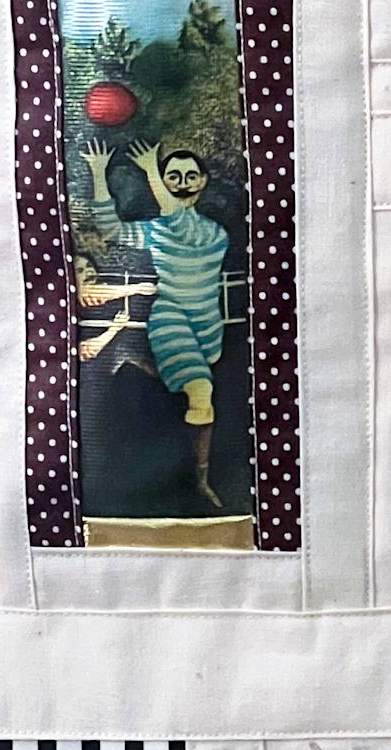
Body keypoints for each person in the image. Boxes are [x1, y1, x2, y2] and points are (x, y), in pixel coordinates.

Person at [82, 139, 232, 511]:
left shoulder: (215, 234)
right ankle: (199, 484)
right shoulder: (155, 230)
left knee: (195, 392)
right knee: (200, 391)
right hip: (170, 318)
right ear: (163, 182)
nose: (181, 183)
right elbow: (111, 229)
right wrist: (99, 174)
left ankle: (146, 370)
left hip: (207, 326)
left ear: (203, 182)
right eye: (173, 176)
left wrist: (153, 170)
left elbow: (181, 223)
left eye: (190, 175)